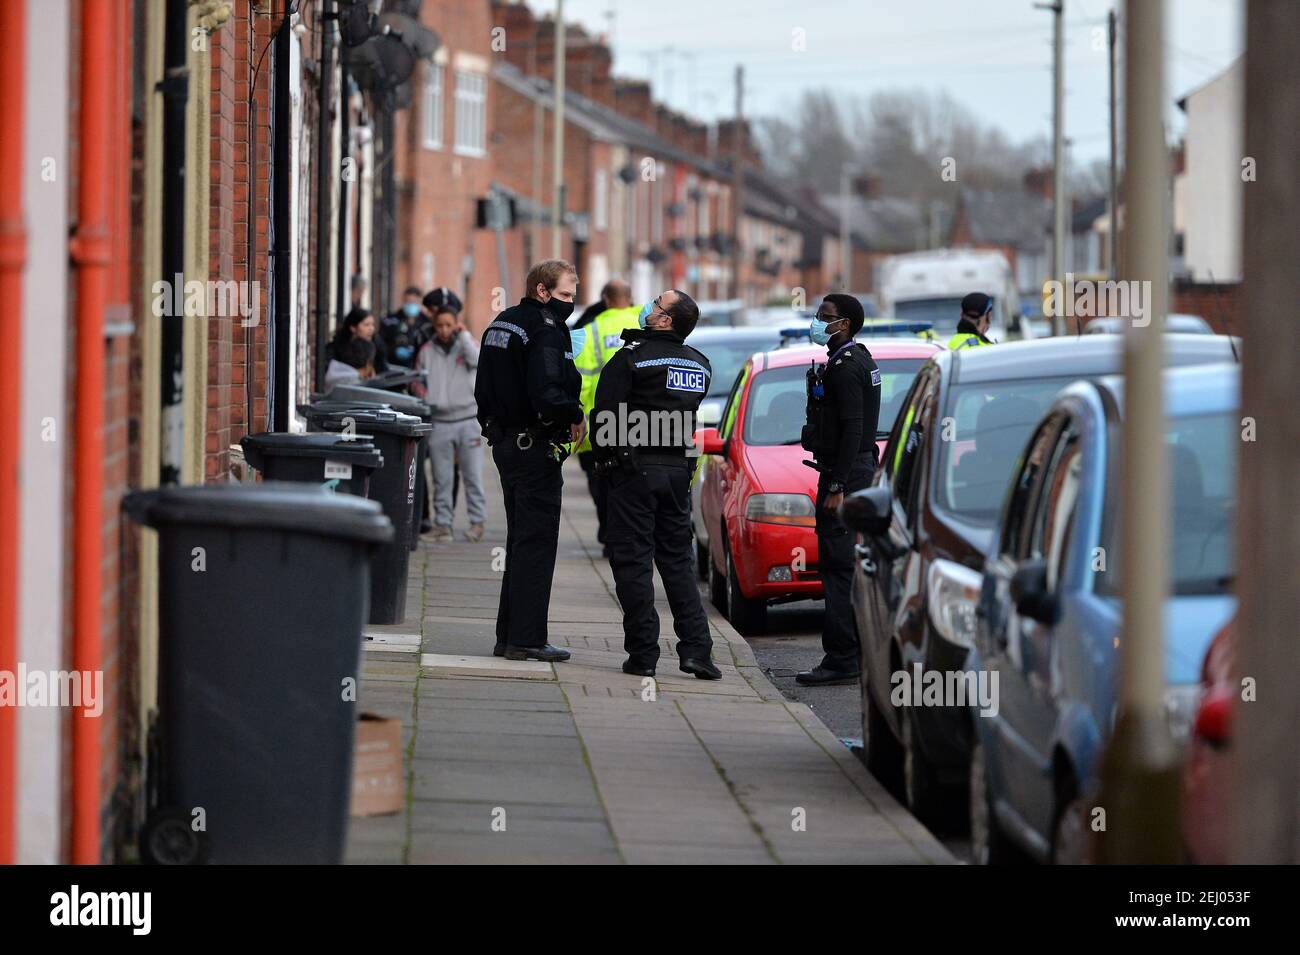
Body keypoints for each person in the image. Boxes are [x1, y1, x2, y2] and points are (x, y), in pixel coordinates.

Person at [592, 290, 721, 681]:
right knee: (678, 562)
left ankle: (644, 654)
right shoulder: (700, 365)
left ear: (665, 320)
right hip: (678, 473)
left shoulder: (631, 359)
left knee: (633, 562)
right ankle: (698, 652)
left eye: (657, 304)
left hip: (635, 472)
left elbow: (604, 417)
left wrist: (607, 465)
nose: (649, 307)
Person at [475, 259, 585, 663]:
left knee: (520, 540)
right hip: (534, 447)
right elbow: (546, 392)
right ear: (543, 290)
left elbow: (482, 388)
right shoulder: (547, 330)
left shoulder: (502, 323)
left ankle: (509, 636)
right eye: (566, 295)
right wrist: (573, 412)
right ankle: (526, 638)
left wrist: (492, 427)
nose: (570, 304)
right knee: (536, 543)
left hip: (506, 445)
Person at [796, 294, 881, 686]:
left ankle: (842, 657)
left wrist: (836, 484)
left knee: (838, 567)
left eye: (825, 317)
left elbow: (853, 428)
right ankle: (853, 652)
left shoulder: (846, 367)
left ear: (844, 324)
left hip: (847, 473)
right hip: (855, 471)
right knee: (846, 565)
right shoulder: (857, 357)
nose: (817, 321)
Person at [573, 280, 639, 554]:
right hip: (640, 424)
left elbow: (581, 382)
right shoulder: (647, 325)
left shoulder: (591, 332)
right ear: (631, 297)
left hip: (599, 425)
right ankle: (629, 537)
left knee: (601, 484)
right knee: (633, 485)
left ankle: (610, 535)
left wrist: (576, 415)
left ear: (605, 300)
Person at [417, 306, 486, 543]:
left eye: (449, 324)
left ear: (456, 323)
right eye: (440, 325)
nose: (444, 330)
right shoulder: (426, 350)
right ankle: (443, 525)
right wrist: (427, 398)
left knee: (472, 475)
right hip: (440, 421)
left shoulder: (467, 345)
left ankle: (477, 523)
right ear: (434, 326)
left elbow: (478, 360)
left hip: (468, 420)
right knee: (441, 477)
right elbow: (418, 380)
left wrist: (464, 335)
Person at [379, 286, 432, 368]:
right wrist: (393, 350)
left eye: (413, 302)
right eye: (408, 302)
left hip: (418, 366)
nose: (410, 305)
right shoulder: (391, 321)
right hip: (394, 367)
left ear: (419, 302)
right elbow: (381, 343)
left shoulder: (427, 322)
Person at [327, 307, 388, 372]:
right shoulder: (335, 348)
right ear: (353, 328)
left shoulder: (378, 345)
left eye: (372, 324)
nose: (371, 329)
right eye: (366, 325)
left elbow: (383, 370)